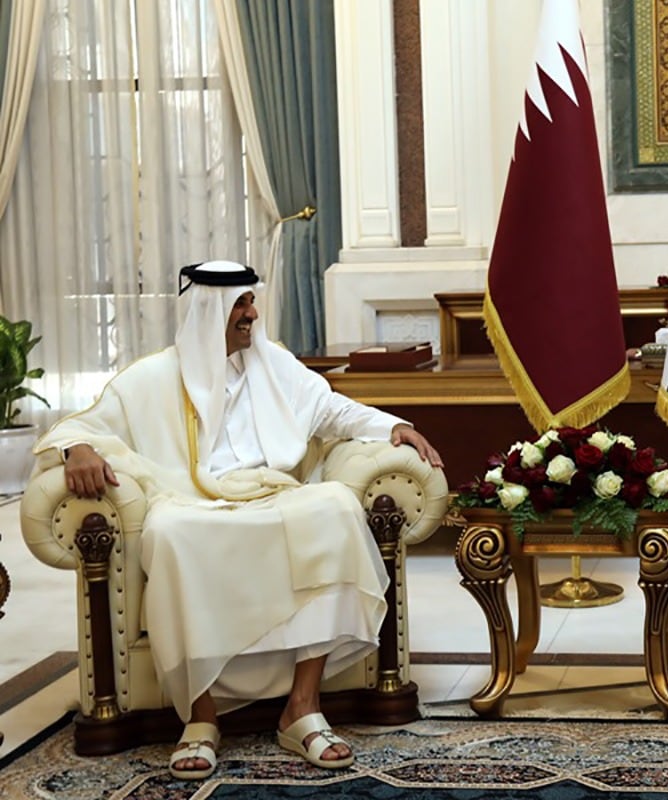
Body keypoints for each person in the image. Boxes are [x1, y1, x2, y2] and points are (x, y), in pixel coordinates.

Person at [33, 260, 443, 781]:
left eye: (251, 302)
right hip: (192, 505)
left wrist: (397, 426)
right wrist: (77, 447)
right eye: (240, 306)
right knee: (170, 532)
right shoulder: (154, 377)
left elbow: (335, 411)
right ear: (209, 311)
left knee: (336, 508)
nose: (251, 314)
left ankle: (303, 707)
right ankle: (200, 719)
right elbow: (78, 424)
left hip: (270, 494)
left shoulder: (275, 364)